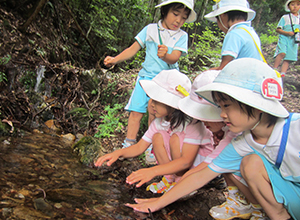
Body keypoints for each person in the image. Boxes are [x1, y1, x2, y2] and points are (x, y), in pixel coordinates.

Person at [125, 58, 299, 220]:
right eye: (220, 107)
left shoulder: (295, 129)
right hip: (289, 199)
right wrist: (159, 203)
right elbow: (201, 175)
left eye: (227, 107)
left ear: (255, 104)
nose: (222, 114)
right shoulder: (243, 143)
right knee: (251, 163)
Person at [103, 0, 197, 163]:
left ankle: (153, 149)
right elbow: (132, 49)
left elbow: (175, 57)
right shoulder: (150, 30)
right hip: (145, 79)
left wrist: (165, 55)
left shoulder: (182, 36)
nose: (178, 21)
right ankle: (129, 144)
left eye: (183, 18)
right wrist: (114, 60)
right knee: (136, 112)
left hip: (166, 84)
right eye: (175, 14)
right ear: (165, 11)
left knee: (157, 114)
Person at [95, 69, 213, 194]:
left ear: (171, 104)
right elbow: (140, 147)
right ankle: (169, 178)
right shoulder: (159, 123)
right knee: (157, 137)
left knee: (174, 139)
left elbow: (186, 161)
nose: (151, 104)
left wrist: (153, 171)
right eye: (152, 100)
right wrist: (118, 153)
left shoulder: (191, 124)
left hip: (198, 165)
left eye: (156, 101)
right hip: (180, 159)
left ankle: (181, 181)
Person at [204, 0, 263, 70]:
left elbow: (224, 69)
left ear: (222, 16)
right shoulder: (250, 32)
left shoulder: (233, 34)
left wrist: (206, 72)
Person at [273, 0, 300, 78]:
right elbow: (278, 29)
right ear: (288, 6)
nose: (295, 7)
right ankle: (274, 69)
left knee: (288, 58)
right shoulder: (285, 17)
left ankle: (282, 74)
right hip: (284, 37)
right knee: (282, 53)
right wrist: (287, 33)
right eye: (293, 5)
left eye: (298, 5)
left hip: (294, 40)